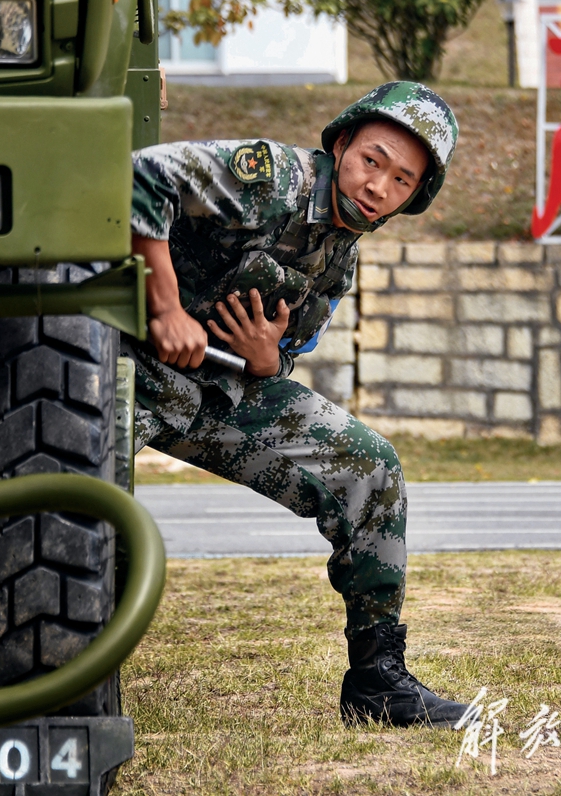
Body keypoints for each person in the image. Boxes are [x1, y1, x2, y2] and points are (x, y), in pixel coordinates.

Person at [123, 80, 469, 727]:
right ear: (341, 145)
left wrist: (265, 360)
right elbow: (141, 176)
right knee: (68, 511)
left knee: (369, 466)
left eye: (401, 180)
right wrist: (165, 307)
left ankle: (377, 680)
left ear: (415, 195)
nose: (377, 187)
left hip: (213, 394)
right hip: (119, 363)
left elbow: (288, 351)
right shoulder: (272, 178)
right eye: (371, 161)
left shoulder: (340, 260)